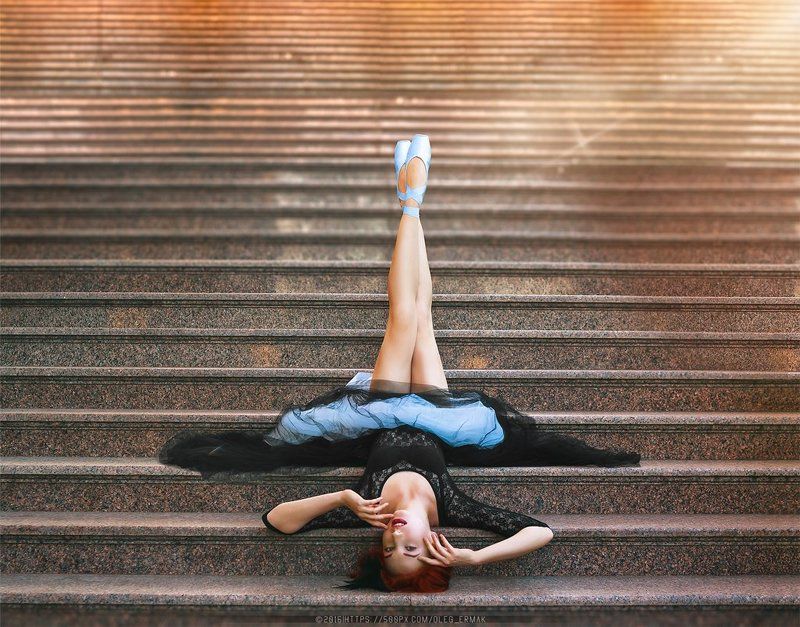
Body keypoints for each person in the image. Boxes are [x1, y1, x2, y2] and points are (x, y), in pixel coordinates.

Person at [159, 134, 639, 592]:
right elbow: (540, 532)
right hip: (443, 416)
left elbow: (277, 521)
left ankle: (411, 201)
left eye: (388, 546)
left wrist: (343, 497)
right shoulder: (453, 507)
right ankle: (413, 197)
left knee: (402, 317)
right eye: (408, 546)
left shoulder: (365, 507)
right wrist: (473, 557)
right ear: (434, 544)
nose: (393, 533)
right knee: (424, 316)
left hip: (382, 407)